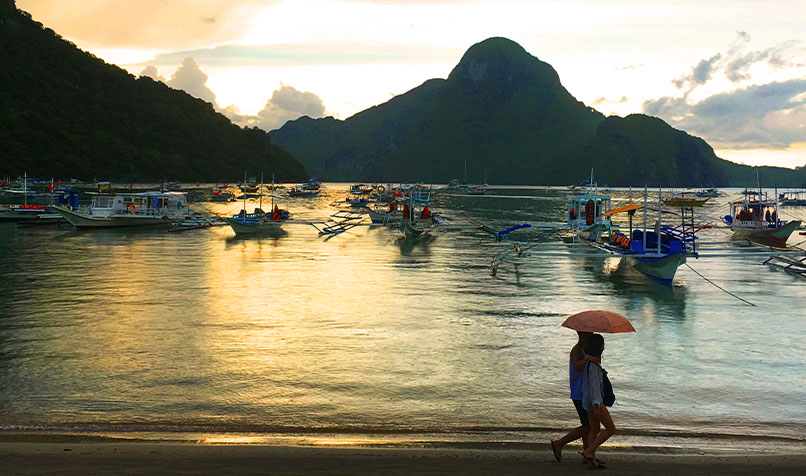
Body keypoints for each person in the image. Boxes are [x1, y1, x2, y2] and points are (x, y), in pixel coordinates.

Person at [550, 331, 601, 464]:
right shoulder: (577, 350)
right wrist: (587, 359)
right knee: (588, 426)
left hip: (584, 391)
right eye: (590, 333)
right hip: (579, 392)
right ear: (583, 335)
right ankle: (559, 443)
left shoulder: (584, 349)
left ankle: (587, 453)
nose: (592, 334)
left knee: (587, 424)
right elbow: (577, 367)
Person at [580, 334, 616, 469]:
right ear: (598, 347)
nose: (604, 347)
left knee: (594, 429)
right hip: (595, 401)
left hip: (587, 400)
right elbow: (594, 385)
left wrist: (602, 372)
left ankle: (591, 458)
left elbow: (591, 381)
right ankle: (589, 451)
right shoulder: (593, 365)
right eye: (602, 345)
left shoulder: (589, 361)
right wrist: (596, 404)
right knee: (611, 429)